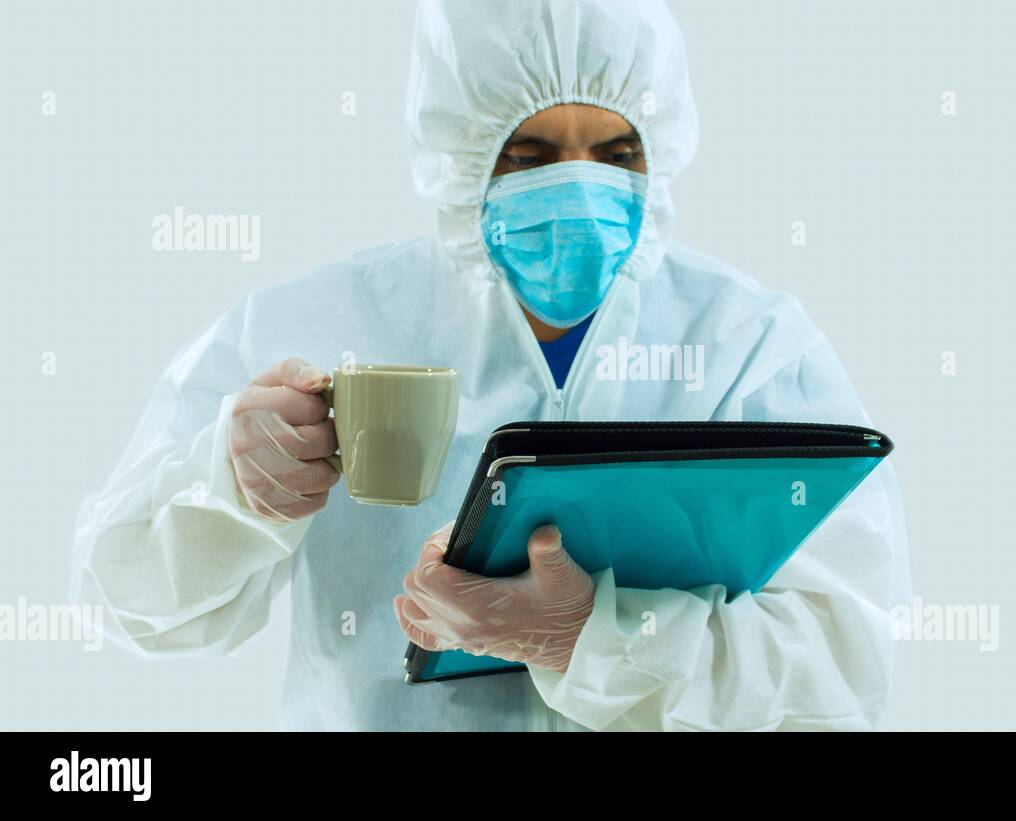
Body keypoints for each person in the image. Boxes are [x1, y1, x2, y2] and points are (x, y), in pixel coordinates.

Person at [71, 0, 912, 731]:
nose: (578, 186)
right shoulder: (317, 326)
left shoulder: (749, 347)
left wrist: (594, 639)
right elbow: (122, 601)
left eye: (616, 154)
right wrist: (228, 487)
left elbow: (844, 670)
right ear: (459, 149)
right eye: (530, 153)